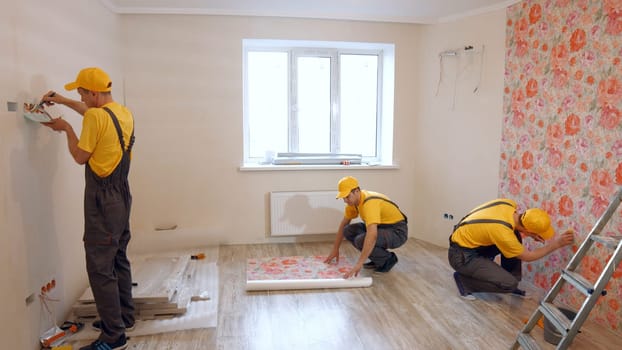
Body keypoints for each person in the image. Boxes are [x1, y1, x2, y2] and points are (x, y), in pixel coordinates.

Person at [41, 67, 135, 350]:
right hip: (121, 193)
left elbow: (81, 156)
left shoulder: (95, 116)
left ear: (93, 93)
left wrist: (66, 129)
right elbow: (94, 115)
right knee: (117, 256)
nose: (79, 95)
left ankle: (113, 335)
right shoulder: (121, 112)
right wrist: (63, 100)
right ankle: (124, 317)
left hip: (102, 200)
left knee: (99, 266)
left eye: (81, 92)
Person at [448, 198, 574, 300]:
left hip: (469, 241)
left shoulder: (508, 204)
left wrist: (528, 232)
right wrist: (556, 244)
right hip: (461, 256)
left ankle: (510, 278)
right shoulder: (502, 232)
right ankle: (465, 282)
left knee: (514, 235)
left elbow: (513, 227)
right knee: (509, 284)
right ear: (527, 228)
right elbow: (528, 256)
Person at [324, 176, 408, 278]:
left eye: (347, 196)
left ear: (356, 191)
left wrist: (359, 264)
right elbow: (344, 224)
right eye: (343, 197)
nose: (345, 200)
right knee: (348, 231)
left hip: (397, 232)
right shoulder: (354, 202)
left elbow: (372, 235)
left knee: (361, 240)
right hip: (381, 227)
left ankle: (388, 259)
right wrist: (335, 249)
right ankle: (378, 258)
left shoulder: (369, 203)